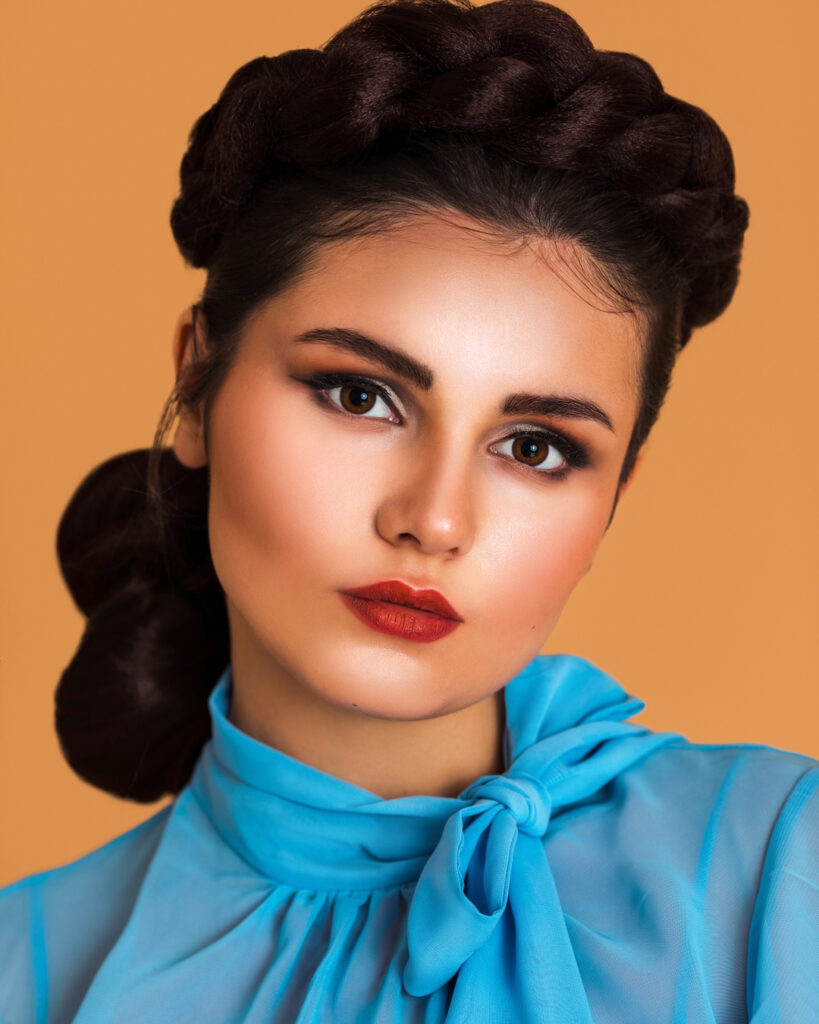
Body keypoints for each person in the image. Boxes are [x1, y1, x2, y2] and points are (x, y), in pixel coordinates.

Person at [1, 0, 816, 1020]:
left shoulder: (781, 866)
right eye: (360, 395)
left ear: (613, 499)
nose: (434, 520)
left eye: (536, 448)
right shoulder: (24, 967)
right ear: (198, 382)